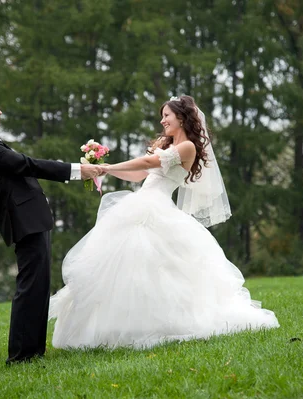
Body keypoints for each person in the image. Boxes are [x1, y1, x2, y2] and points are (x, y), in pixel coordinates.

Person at [48, 95, 279, 349]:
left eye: (166, 115)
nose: (162, 120)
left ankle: (162, 324)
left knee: (157, 268)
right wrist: (105, 169)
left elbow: (149, 162)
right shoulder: (163, 143)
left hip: (157, 207)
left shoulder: (188, 147)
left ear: (181, 117)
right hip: (140, 202)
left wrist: (107, 165)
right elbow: (139, 173)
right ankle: (119, 326)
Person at [0, 89, 102, 364]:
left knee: (39, 284)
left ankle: (33, 351)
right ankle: (21, 355)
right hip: (24, 219)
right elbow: (25, 164)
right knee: (30, 284)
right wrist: (75, 170)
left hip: (31, 217)